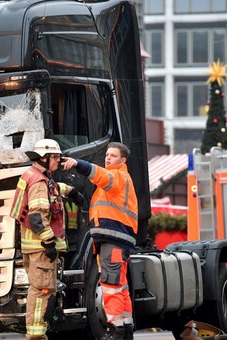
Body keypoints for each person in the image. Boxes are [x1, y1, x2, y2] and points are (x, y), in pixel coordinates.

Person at [62, 142, 138, 340]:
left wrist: (79, 164)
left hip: (115, 238)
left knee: (110, 285)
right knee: (120, 286)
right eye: (107, 154)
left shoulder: (118, 176)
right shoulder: (117, 181)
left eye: (113, 155)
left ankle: (116, 329)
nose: (108, 158)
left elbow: (102, 176)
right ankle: (126, 327)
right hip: (117, 239)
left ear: (123, 160)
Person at [10, 138, 82, 340]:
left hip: (33, 247)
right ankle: (36, 336)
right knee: (42, 291)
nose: (58, 161)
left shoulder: (33, 175)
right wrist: (49, 242)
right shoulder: (39, 181)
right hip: (42, 249)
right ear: (43, 158)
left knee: (42, 289)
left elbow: (51, 188)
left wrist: (69, 190)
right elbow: (37, 216)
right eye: (55, 157)